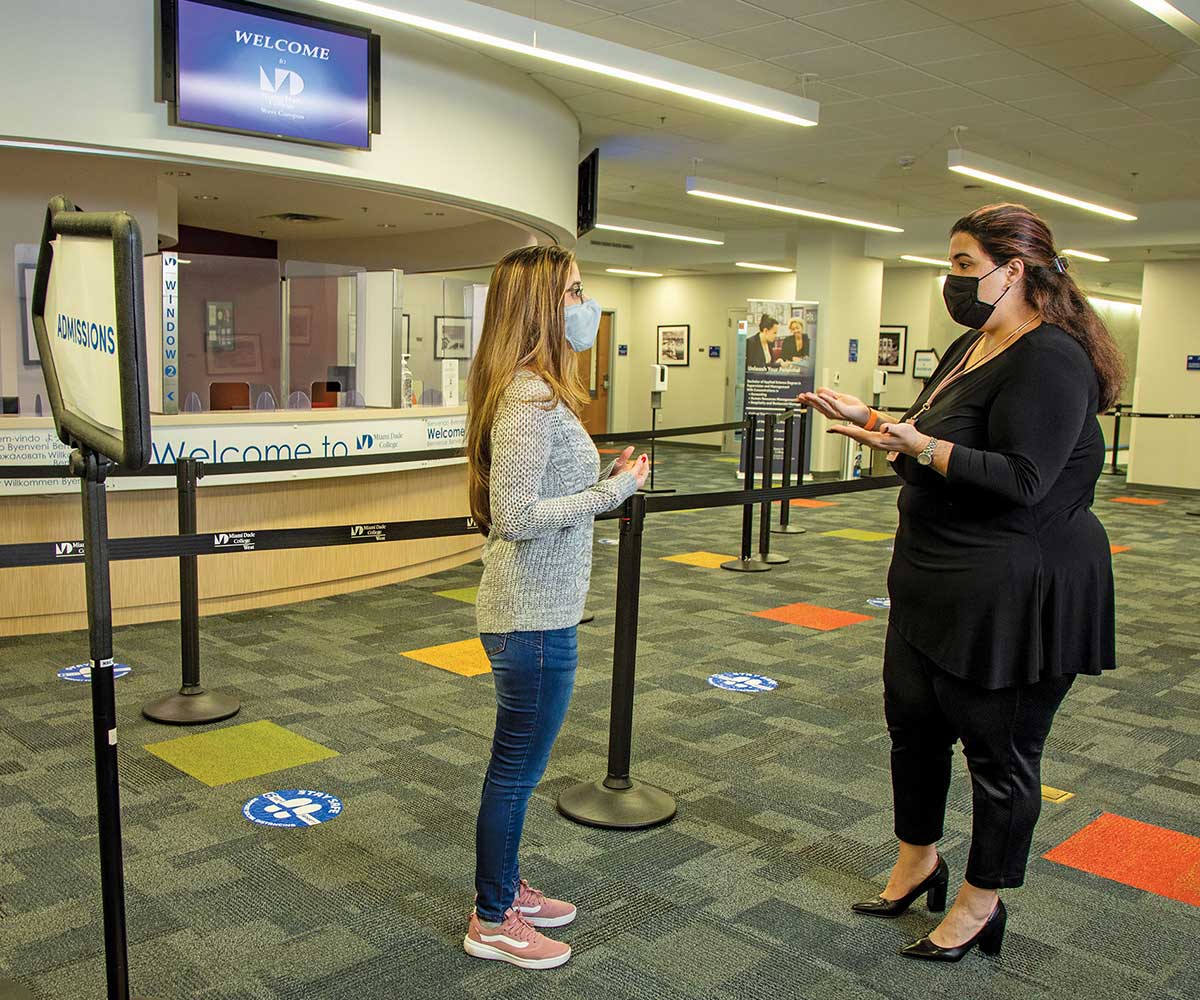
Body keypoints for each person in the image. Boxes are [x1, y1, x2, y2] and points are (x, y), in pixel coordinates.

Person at [799, 203, 1121, 963]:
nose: (953, 280)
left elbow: (1025, 478)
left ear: (1016, 271)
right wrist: (876, 421)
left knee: (999, 756)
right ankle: (919, 862)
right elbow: (936, 439)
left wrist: (923, 448)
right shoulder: (970, 344)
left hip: (1013, 590)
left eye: (964, 266)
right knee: (913, 730)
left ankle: (981, 903)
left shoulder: (1052, 357)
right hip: (931, 579)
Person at [462, 246, 650, 970]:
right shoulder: (527, 396)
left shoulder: (534, 389)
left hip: (540, 611)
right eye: (574, 289)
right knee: (515, 772)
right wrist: (614, 492)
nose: (586, 302)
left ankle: (504, 889)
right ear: (541, 303)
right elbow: (513, 514)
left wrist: (604, 477)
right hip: (529, 620)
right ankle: (493, 919)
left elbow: (536, 494)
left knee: (518, 768)